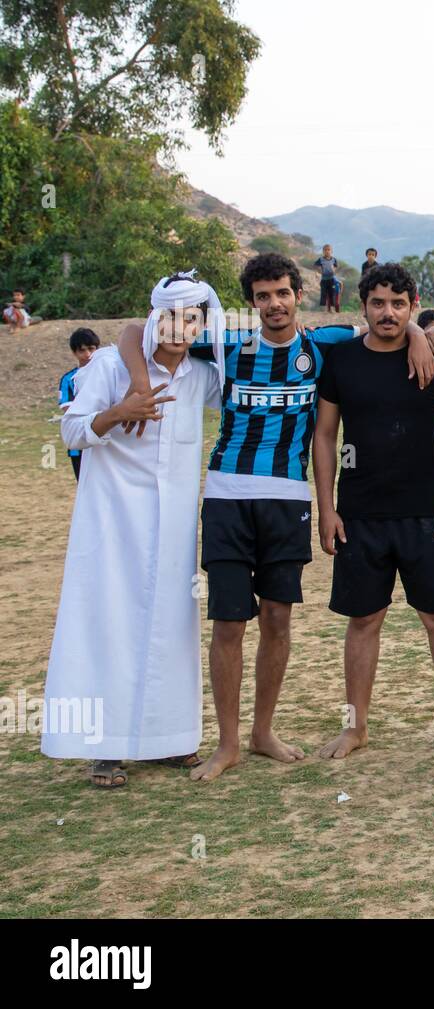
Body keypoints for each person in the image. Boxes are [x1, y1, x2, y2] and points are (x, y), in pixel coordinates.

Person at [118, 252, 434, 781]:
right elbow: (137, 328)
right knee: (227, 623)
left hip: (288, 500)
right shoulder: (223, 344)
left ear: (299, 295)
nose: (273, 304)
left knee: (277, 619)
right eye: (263, 296)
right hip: (225, 497)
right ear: (252, 301)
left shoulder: (325, 344)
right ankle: (226, 744)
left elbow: (390, 324)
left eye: (283, 293)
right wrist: (137, 381)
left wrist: (425, 335)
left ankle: (262, 731)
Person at [43, 272, 223, 787]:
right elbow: (72, 429)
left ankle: (167, 740)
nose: (178, 328)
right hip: (112, 523)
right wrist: (119, 412)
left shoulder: (201, 375)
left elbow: (261, 358)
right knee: (109, 626)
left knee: (171, 628)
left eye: (191, 318)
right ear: (153, 316)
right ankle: (105, 748)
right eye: (169, 316)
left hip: (172, 530)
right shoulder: (107, 365)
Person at [313, 262, 434, 755]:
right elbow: (325, 437)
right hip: (360, 516)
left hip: (428, 514)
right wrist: (326, 508)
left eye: (398, 304)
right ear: (364, 307)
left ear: (412, 305)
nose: (388, 313)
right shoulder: (342, 360)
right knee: (363, 622)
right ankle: (355, 727)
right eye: (378, 303)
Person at [59, 328, 102, 481]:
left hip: (105, 442)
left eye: (91, 349)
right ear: (74, 353)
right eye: (82, 350)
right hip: (80, 444)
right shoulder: (69, 379)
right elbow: (68, 409)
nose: (88, 354)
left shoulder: (109, 375)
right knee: (84, 487)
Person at [314, 244, 342, 312]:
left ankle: (333, 306)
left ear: (331, 251)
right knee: (324, 293)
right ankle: (326, 308)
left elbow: (336, 266)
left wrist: (334, 270)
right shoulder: (321, 259)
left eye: (328, 250)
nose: (327, 251)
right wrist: (319, 270)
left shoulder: (334, 259)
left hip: (331, 278)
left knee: (332, 292)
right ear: (323, 251)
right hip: (324, 279)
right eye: (325, 250)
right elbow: (315, 265)